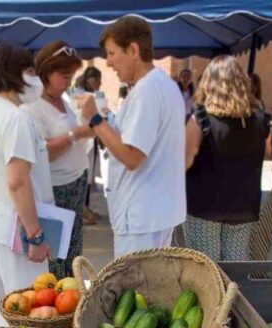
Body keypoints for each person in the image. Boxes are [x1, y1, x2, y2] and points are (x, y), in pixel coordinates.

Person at [76, 16, 186, 257]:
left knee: (133, 281)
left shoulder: (147, 91)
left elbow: (132, 157)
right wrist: (106, 124)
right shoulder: (164, 85)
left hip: (141, 215)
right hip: (154, 211)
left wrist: (95, 118)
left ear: (133, 50)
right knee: (151, 278)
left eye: (112, 53)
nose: (109, 62)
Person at [0, 43, 54, 298]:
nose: (36, 79)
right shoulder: (16, 118)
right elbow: (17, 181)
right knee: (27, 305)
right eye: (30, 71)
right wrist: (36, 236)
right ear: (13, 73)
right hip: (15, 232)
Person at [184, 56, 270, 260]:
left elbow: (185, 161)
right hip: (243, 206)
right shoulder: (259, 119)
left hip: (204, 206)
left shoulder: (201, 118)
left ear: (209, 83)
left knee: (207, 269)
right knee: (236, 268)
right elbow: (267, 153)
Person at [23, 41, 95, 279]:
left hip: (75, 183)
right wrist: (76, 134)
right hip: (56, 190)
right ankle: (60, 294)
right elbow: (43, 152)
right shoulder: (33, 107)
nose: (68, 82)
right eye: (64, 76)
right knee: (56, 254)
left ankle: (73, 289)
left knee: (73, 248)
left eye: (71, 76)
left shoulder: (62, 101)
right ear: (46, 71)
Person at [73, 66, 104, 225]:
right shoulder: (80, 95)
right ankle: (82, 210)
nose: (99, 84)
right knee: (84, 175)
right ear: (91, 80)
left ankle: (86, 207)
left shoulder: (93, 95)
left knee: (89, 176)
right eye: (98, 80)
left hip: (92, 137)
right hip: (84, 139)